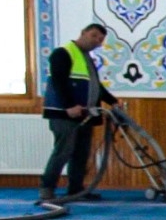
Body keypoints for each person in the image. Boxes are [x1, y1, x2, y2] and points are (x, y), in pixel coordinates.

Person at [40, 24, 117, 202]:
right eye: (94, 36)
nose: (97, 41)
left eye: (100, 39)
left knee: (81, 153)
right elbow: (59, 82)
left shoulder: (87, 59)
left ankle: (76, 190)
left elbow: (95, 86)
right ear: (83, 33)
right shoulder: (63, 53)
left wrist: (113, 101)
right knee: (63, 152)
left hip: (85, 114)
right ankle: (47, 189)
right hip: (65, 114)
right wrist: (69, 106)